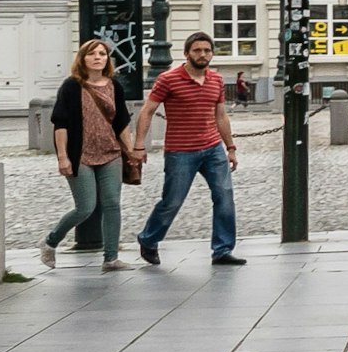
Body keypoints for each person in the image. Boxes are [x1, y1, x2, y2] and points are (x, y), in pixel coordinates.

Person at [131, 31, 244, 267]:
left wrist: (230, 147)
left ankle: (222, 249)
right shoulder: (168, 79)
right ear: (186, 53)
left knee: (224, 196)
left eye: (207, 51)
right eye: (197, 50)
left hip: (213, 149)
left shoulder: (216, 80)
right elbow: (147, 111)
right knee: (172, 200)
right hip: (181, 151)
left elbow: (220, 115)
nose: (202, 55)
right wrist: (139, 145)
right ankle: (149, 239)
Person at [43, 37, 132, 270]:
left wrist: (131, 150)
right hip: (79, 154)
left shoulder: (115, 85)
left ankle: (111, 258)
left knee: (112, 203)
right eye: (92, 54)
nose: (97, 58)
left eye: (102, 54)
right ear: (82, 58)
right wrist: (62, 157)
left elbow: (122, 121)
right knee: (85, 207)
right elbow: (60, 123)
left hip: (110, 152)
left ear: (107, 59)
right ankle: (51, 241)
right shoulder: (72, 86)